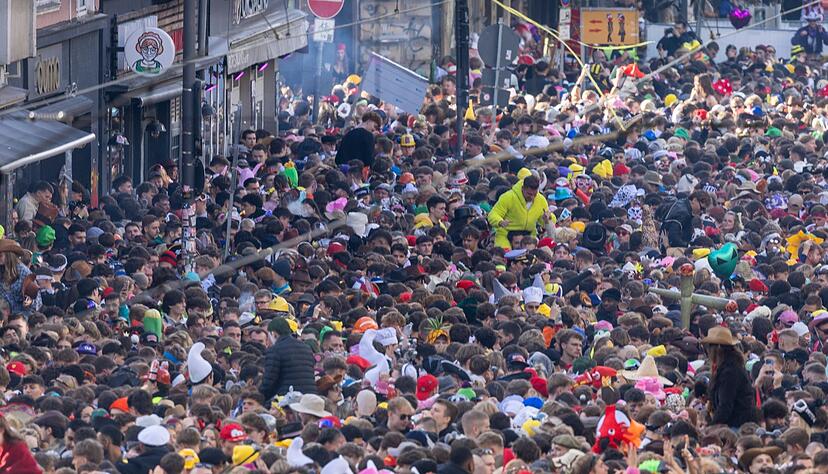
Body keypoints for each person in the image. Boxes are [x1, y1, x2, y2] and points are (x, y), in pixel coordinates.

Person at [702, 326, 759, 428]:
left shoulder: (730, 372)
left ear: (717, 348)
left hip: (737, 424)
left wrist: (711, 427)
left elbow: (725, 405)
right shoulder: (728, 367)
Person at [260, 317, 317, 399]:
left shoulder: (275, 350)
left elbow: (269, 380)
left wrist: (259, 395)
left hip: (288, 396)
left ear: (273, 333)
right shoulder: (306, 348)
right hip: (310, 396)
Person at [487, 174, 548, 249]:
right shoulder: (508, 197)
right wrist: (500, 221)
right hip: (506, 235)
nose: (532, 197)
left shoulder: (541, 200)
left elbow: (547, 221)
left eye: (535, 194)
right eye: (529, 194)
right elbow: (493, 214)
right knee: (504, 254)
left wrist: (547, 219)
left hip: (529, 237)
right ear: (523, 188)